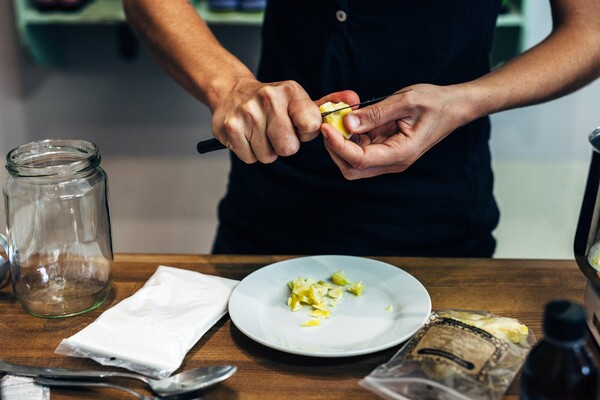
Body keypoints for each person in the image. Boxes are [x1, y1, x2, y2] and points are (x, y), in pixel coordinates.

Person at [122, 1, 600, 257]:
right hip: (269, 204)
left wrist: (466, 100)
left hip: (442, 217)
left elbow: (591, 28)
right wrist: (230, 86)